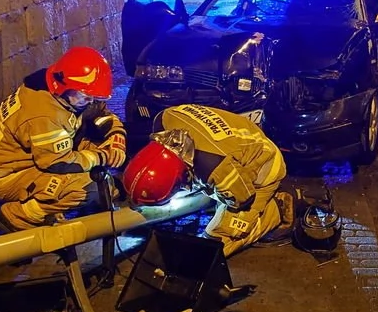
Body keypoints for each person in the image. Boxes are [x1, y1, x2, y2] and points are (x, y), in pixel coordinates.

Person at [0, 47, 127, 232]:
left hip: (37, 157)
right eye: (86, 97)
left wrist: (116, 138)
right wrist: (102, 157)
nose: (90, 101)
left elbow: (102, 114)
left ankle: (94, 193)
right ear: (64, 87)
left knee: (96, 158)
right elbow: (58, 161)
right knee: (84, 188)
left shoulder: (70, 91)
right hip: (6, 175)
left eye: (93, 97)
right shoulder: (44, 114)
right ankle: (18, 215)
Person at [121, 104, 294, 257]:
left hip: (262, 170)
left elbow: (243, 199)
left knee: (217, 242)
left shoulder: (216, 170)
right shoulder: (163, 119)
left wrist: (214, 192)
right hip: (240, 146)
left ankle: (277, 208)